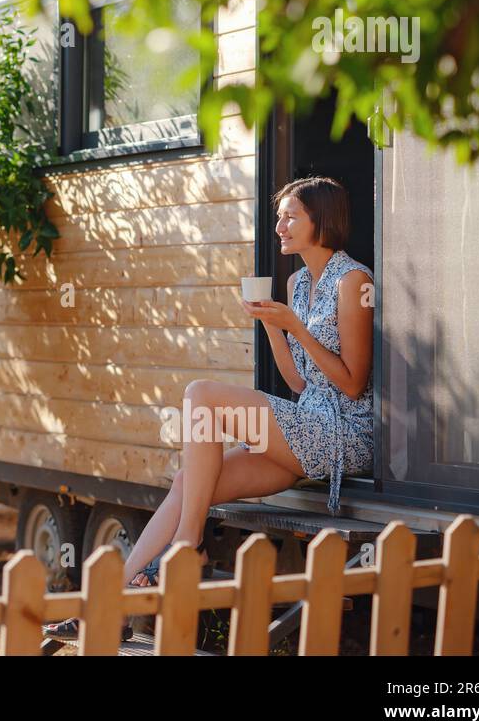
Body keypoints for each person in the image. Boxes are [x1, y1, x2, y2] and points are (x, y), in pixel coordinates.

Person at [43, 175, 374, 642]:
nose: (279, 224)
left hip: (340, 435)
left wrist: (295, 328)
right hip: (305, 428)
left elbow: (354, 384)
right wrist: (273, 325)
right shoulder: (299, 282)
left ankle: (187, 542)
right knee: (188, 482)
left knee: (202, 393)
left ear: (322, 221)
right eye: (279, 215)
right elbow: (300, 382)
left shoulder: (354, 280)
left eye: (290, 216)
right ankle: (110, 609)